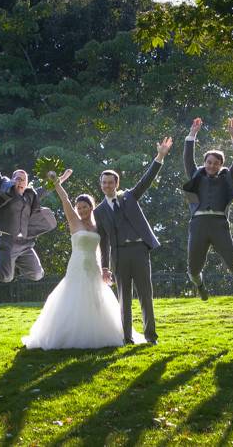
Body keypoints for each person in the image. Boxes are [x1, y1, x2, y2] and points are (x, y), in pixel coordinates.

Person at [22, 171, 140, 349]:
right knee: (75, 298)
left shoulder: (97, 225)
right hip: (77, 266)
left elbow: (104, 246)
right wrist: (56, 182)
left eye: (85, 207)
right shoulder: (74, 221)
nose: (81, 210)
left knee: (96, 299)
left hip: (94, 267)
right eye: (79, 208)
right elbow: (65, 199)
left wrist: (105, 269)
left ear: (91, 207)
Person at [94, 137, 173, 345]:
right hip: (119, 255)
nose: (107, 185)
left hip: (139, 250)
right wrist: (104, 267)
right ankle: (127, 338)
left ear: (116, 184)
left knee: (146, 296)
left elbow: (146, 180)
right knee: (124, 300)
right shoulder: (99, 211)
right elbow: (103, 242)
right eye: (104, 182)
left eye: (111, 182)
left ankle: (151, 337)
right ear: (101, 185)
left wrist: (160, 156)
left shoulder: (129, 196)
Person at [0, 133, 61, 282]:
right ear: (12, 180)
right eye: (18, 178)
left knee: (37, 275)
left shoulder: (30, 196)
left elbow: (45, 189)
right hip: (5, 242)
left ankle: (14, 263)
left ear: (27, 184)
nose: (21, 181)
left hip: (24, 243)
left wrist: (61, 179)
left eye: (24, 179)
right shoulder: (3, 187)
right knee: (6, 277)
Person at [183, 117, 233, 304]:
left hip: (219, 224)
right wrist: (192, 134)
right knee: (193, 268)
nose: (212, 165)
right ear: (205, 163)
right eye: (209, 162)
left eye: (216, 163)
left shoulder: (227, 177)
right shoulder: (197, 176)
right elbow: (188, 158)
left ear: (220, 165)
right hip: (198, 224)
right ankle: (200, 285)